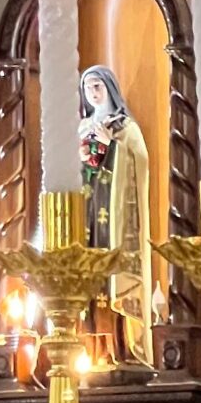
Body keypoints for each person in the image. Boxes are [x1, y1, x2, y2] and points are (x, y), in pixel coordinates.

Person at [79, 62, 154, 369]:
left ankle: (122, 348)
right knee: (89, 274)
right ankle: (91, 350)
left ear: (109, 88)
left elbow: (140, 162)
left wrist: (112, 146)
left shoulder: (125, 127)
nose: (92, 93)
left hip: (115, 213)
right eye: (87, 88)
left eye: (97, 86)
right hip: (88, 210)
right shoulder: (82, 128)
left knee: (112, 274)